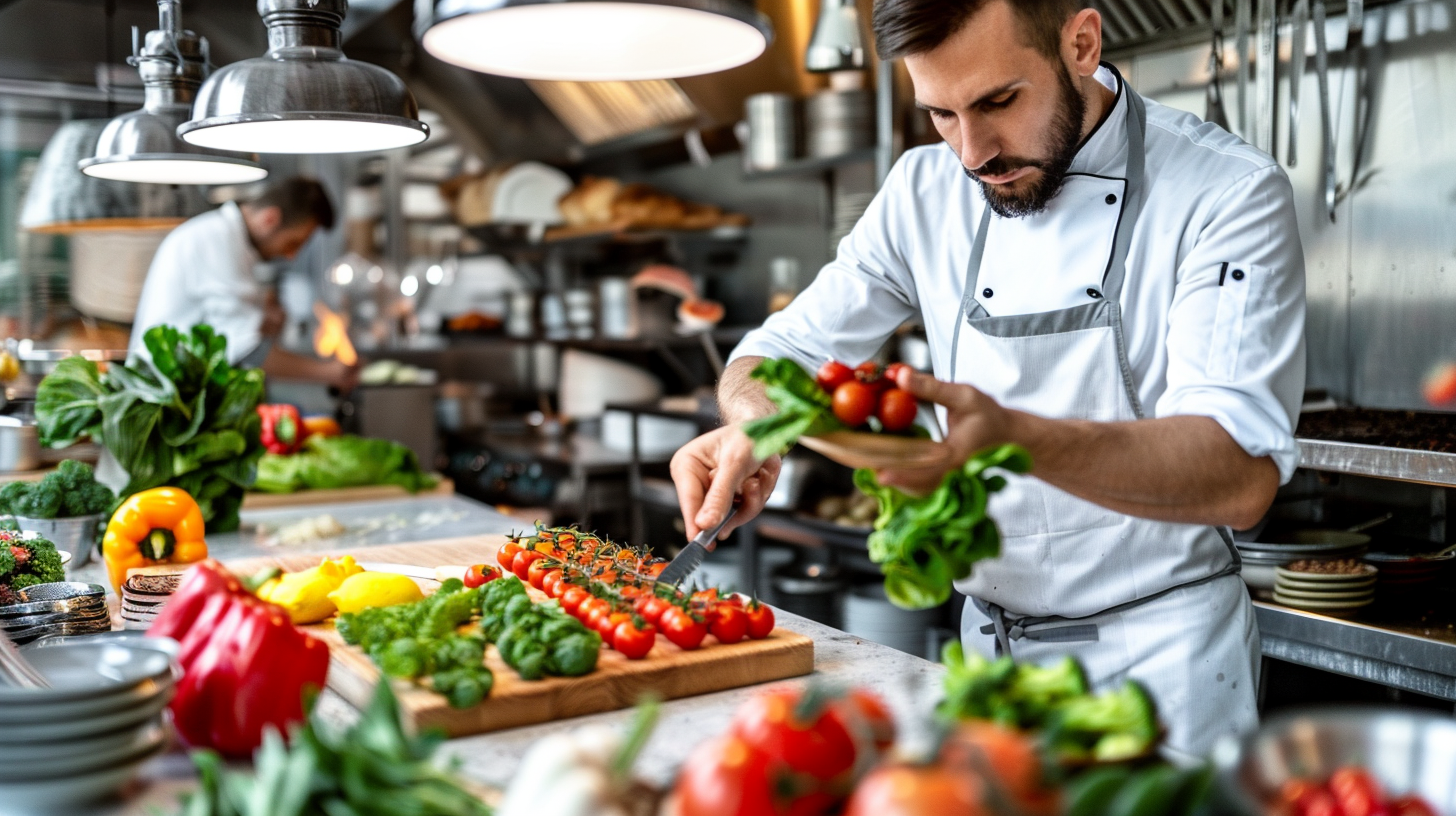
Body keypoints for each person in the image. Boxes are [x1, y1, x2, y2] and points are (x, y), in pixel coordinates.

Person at [670, 0, 1306, 755]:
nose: (973, 152)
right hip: (982, 662)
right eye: (940, 113)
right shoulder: (923, 190)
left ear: (1081, 43)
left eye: (999, 101)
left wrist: (1011, 438)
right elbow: (772, 356)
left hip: (1164, 675)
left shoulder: (1225, 192)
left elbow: (1236, 476)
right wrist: (757, 421)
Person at [129, 176, 357, 389]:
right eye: (293, 242)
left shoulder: (231, 241)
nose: (291, 256)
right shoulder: (216, 239)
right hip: (160, 399)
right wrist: (330, 373)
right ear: (270, 219)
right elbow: (247, 351)